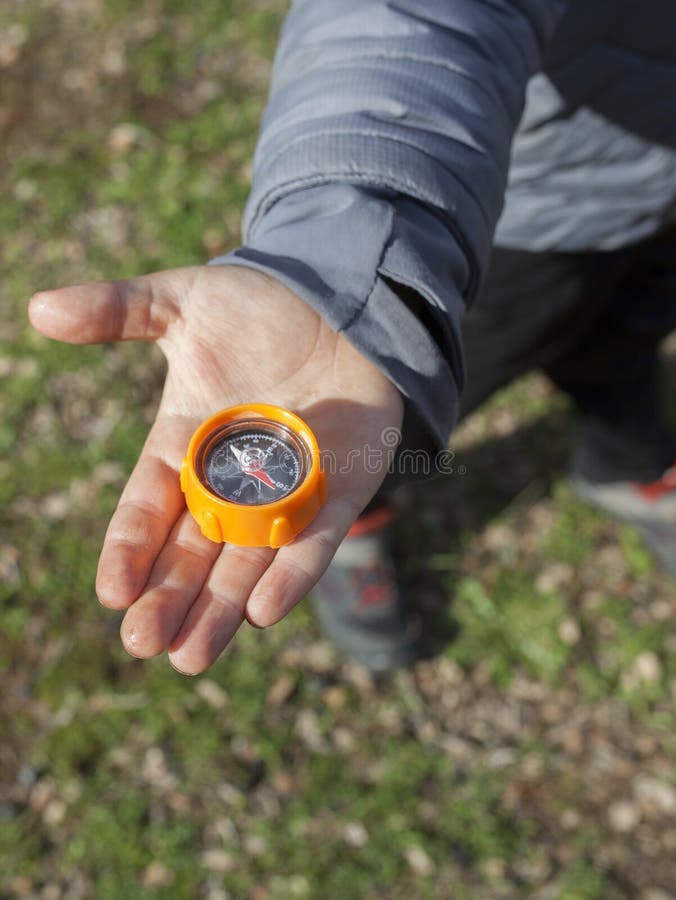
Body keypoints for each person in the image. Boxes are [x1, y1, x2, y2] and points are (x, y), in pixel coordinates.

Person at [28, 0, 676, 674]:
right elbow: (407, 18)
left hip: (653, 197)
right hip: (524, 209)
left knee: (627, 336)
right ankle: (358, 512)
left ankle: (624, 457)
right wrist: (352, 258)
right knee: (385, 413)